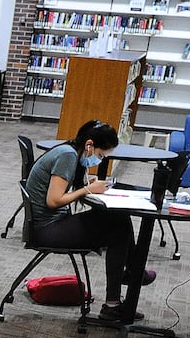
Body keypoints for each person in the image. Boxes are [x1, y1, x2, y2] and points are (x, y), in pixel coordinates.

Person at [23, 118, 153, 324]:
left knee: (119, 217)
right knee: (118, 229)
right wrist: (87, 190)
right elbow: (54, 200)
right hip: (46, 229)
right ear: (90, 145)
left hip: (50, 223)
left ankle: (131, 273)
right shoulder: (67, 156)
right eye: (101, 155)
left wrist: (86, 185)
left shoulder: (69, 150)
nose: (100, 160)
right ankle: (117, 298)